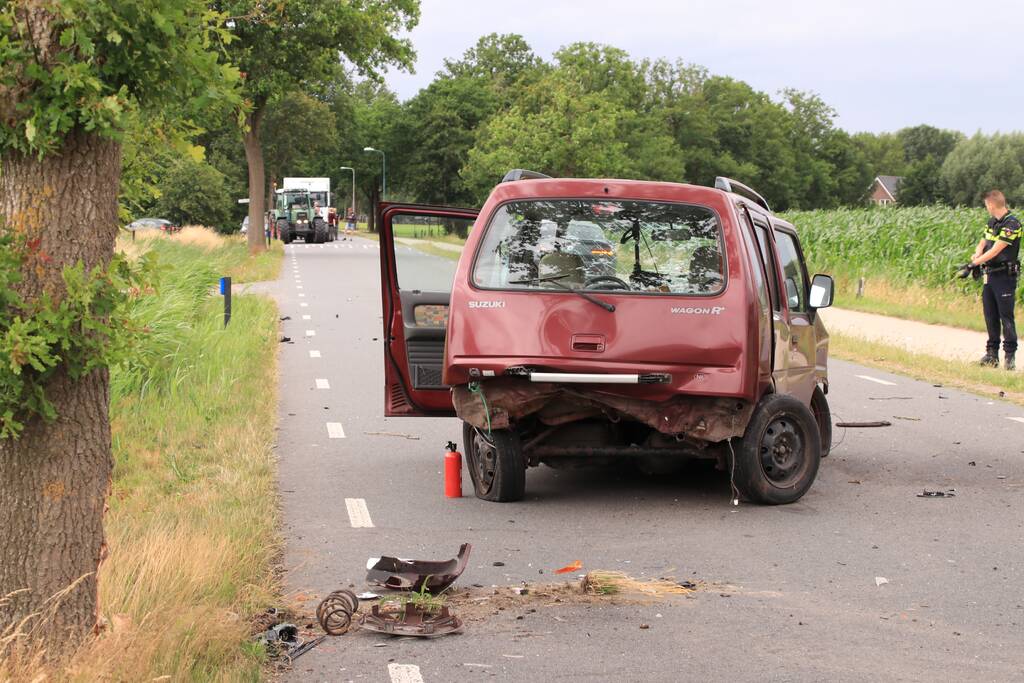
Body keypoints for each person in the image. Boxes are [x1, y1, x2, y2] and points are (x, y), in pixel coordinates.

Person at [972, 190, 1021, 370]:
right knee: (990, 315)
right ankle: (992, 355)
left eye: (986, 205)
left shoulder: (1012, 224)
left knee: (1006, 317)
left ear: (991, 204)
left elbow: (997, 249)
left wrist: (974, 264)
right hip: (990, 274)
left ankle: (1009, 357)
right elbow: (984, 242)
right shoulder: (992, 222)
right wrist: (976, 255)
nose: (986, 208)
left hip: (1004, 277)